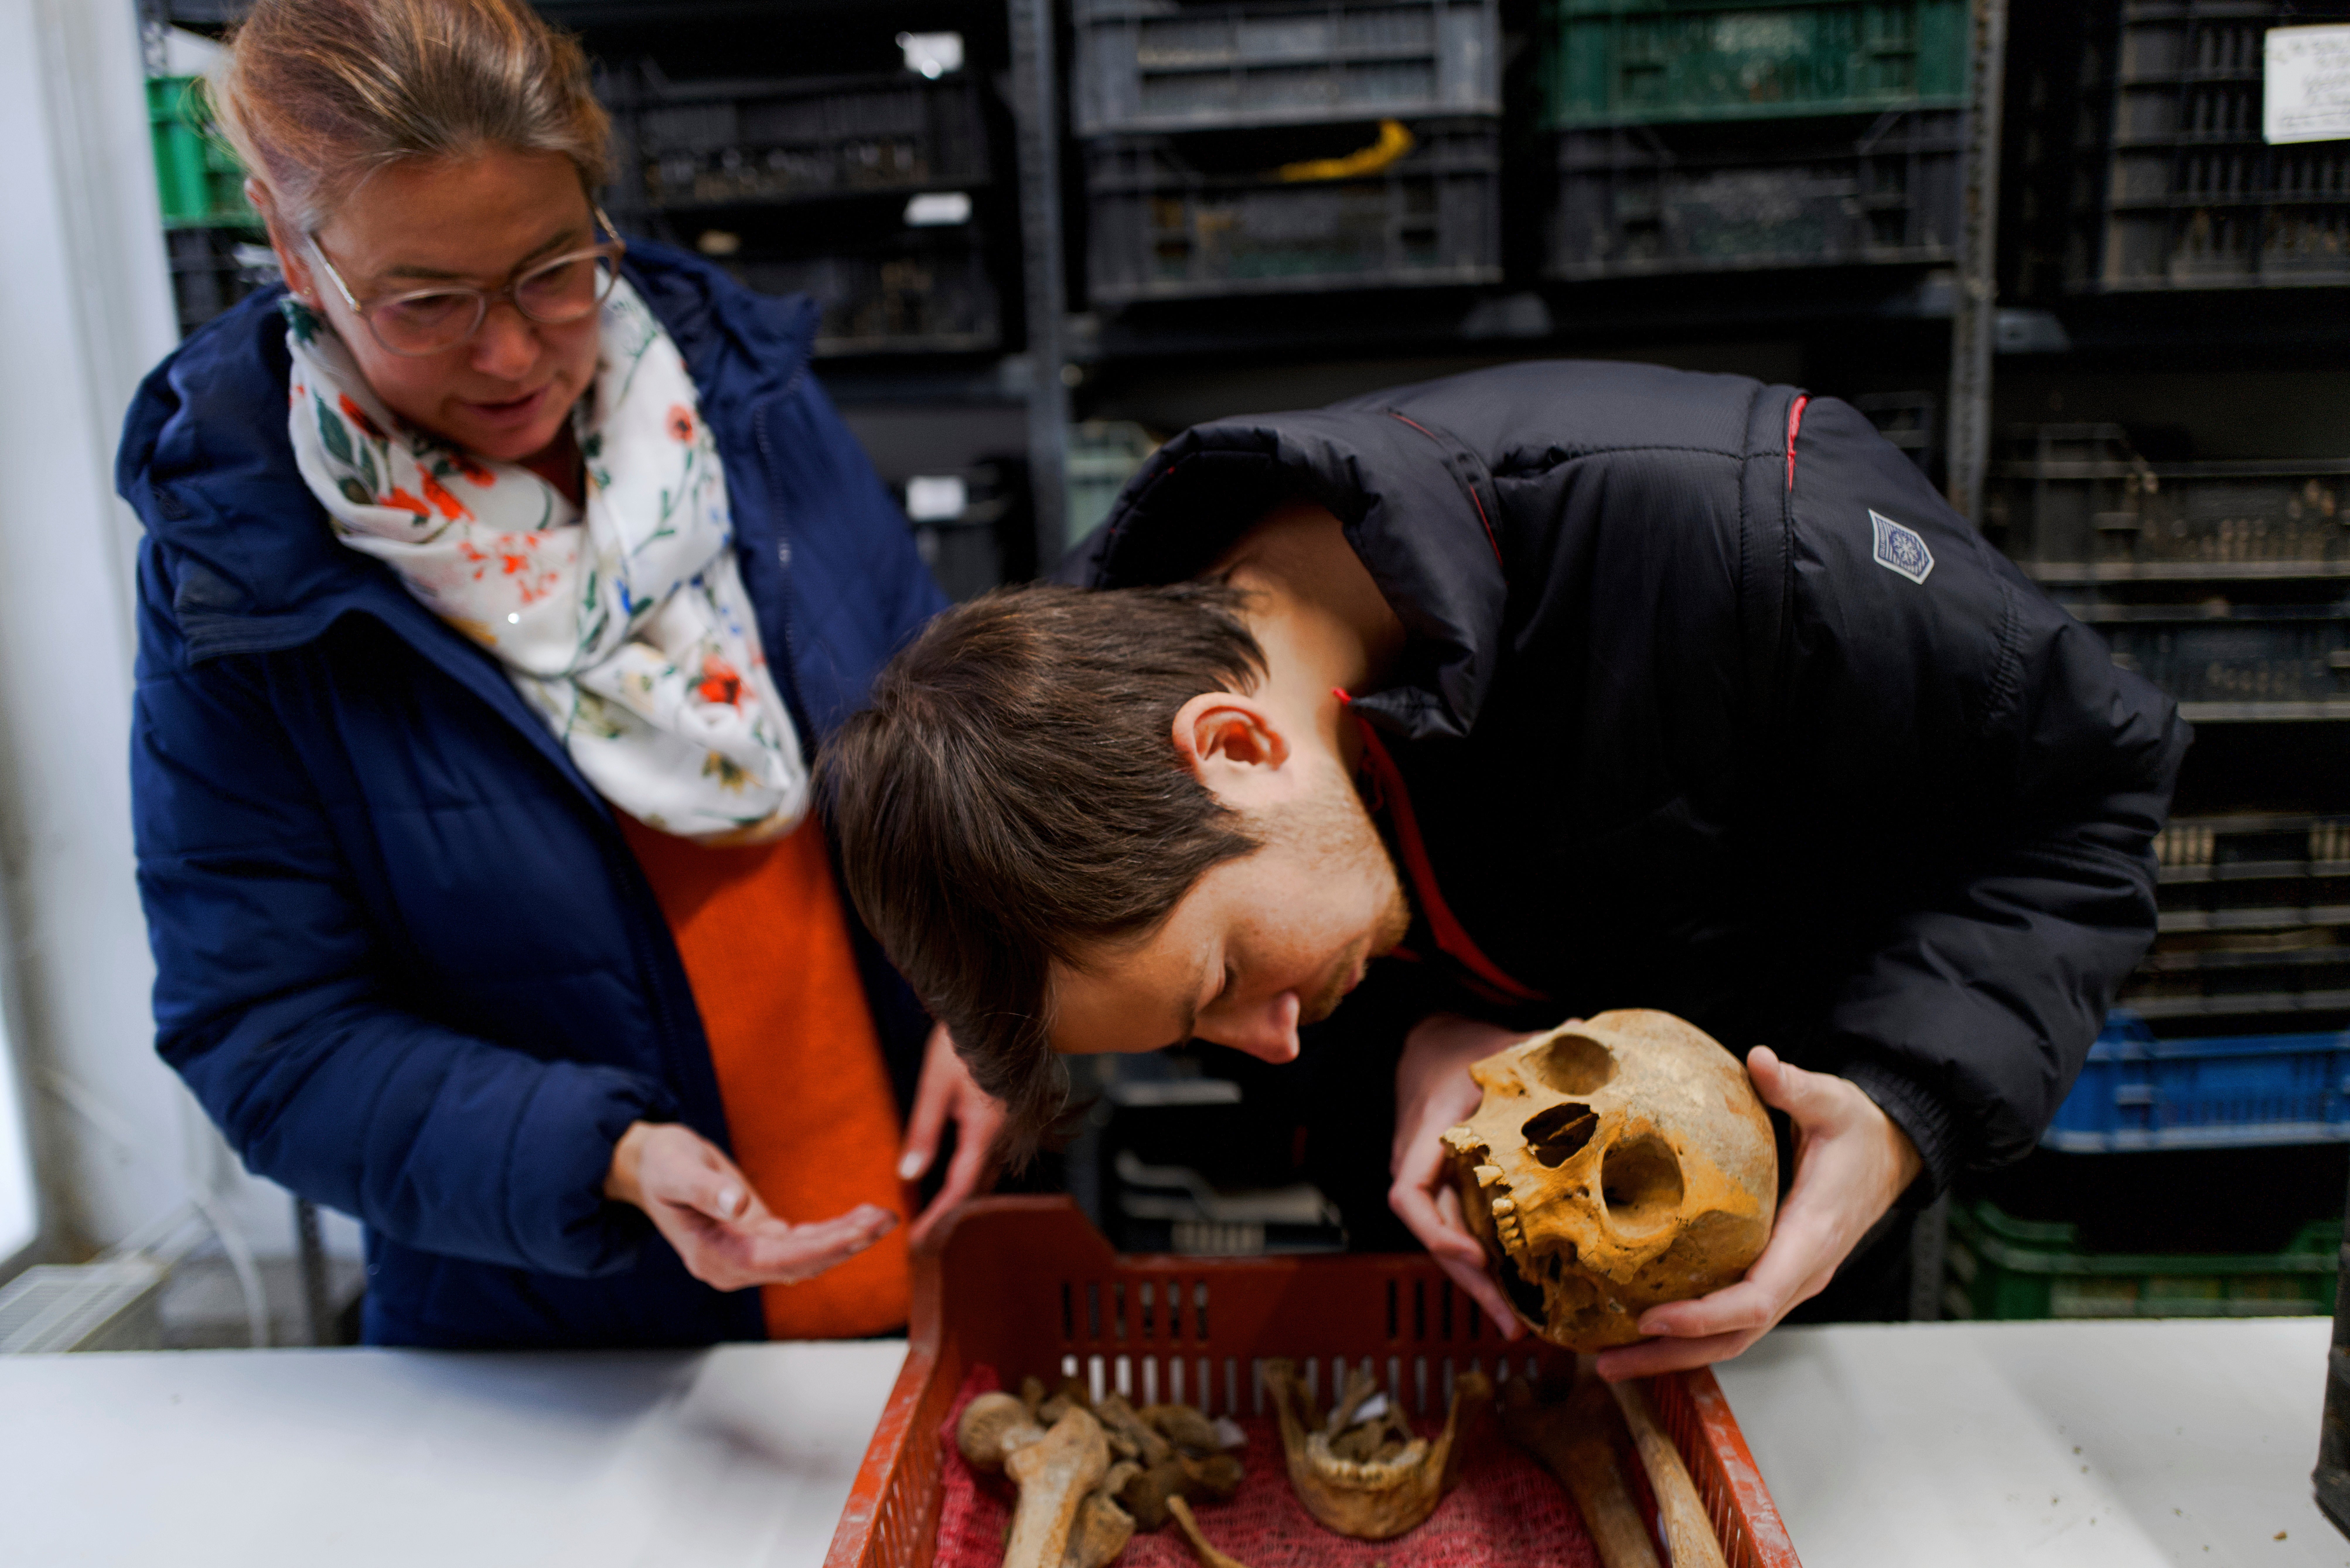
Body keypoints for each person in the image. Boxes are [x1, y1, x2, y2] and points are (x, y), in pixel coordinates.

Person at [822, 361, 2188, 1377]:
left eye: (1229, 980)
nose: (1267, 1043)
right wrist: (1407, 1049)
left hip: (1775, 1267)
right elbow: (1274, 1004)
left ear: (1234, 743)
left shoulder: (1746, 536)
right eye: (1203, 1023)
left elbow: (2087, 795)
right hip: (1482, 1280)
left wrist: (1903, 1112)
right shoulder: (1078, 710)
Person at [121, 0, 1002, 1349]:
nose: (515, 352)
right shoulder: (241, 566)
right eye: (427, 303)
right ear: (295, 252)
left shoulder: (736, 404)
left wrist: (993, 981)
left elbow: (943, 727)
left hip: (911, 1242)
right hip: (570, 1331)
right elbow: (268, 1032)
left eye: (552, 269)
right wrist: (599, 1155)